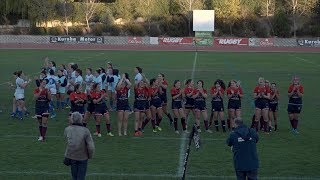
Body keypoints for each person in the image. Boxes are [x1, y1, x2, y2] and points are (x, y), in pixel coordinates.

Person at [64, 112, 95, 180]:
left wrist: (66, 156)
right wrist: (90, 155)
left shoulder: (67, 129)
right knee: (81, 177)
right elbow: (91, 146)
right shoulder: (85, 131)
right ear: (81, 119)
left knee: (74, 177)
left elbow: (68, 144)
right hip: (83, 158)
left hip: (72, 156)